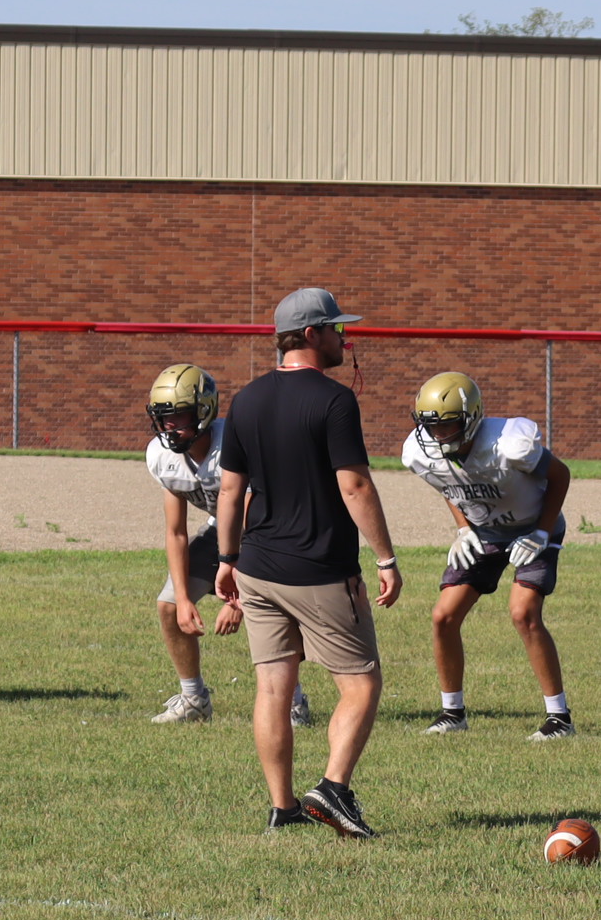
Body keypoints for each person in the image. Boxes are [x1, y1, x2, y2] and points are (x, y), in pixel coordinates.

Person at [212, 288, 403, 838]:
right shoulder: (334, 401)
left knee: (273, 689)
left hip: (257, 566)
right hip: (319, 569)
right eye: (337, 329)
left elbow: (230, 491)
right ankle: (334, 790)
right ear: (313, 334)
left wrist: (227, 559)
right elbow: (355, 483)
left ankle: (283, 807)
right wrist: (386, 557)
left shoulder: (245, 400)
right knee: (361, 686)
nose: (345, 338)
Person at [143, 363, 320, 731]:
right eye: (164, 418)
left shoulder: (236, 443)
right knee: (169, 605)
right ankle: (193, 699)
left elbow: (253, 523)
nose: (169, 427)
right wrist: (185, 597)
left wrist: (237, 598)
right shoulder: (163, 457)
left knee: (269, 612)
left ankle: (293, 702)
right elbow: (175, 531)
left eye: (178, 416)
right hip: (224, 530)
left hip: (277, 529)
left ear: (204, 412)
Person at [400, 371, 576, 739]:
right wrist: (463, 527)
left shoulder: (509, 443)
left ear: (471, 418)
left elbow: (560, 475)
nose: (436, 436)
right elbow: (448, 483)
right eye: (430, 427)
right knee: (443, 617)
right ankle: (453, 712)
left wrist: (542, 531)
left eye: (446, 426)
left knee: (523, 612)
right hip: (484, 532)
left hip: (532, 526)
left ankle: (559, 718)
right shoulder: (420, 452)